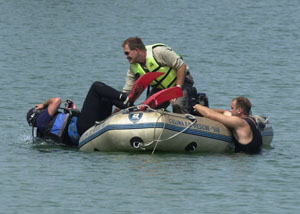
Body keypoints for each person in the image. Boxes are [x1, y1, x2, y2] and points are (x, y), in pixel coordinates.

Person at [26, 82, 130, 146]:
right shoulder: (41, 120)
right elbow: (57, 100)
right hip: (83, 128)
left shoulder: (43, 131)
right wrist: (44, 104)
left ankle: (130, 107)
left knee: (105, 97)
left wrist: (74, 110)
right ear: (38, 112)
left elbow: (66, 130)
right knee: (96, 87)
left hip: (82, 133)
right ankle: (125, 97)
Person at [120, 36, 194, 113]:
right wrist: (117, 111)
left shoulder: (159, 52)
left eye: (127, 53)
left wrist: (176, 89)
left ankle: (186, 118)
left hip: (181, 82)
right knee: (147, 108)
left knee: (177, 105)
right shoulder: (133, 68)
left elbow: (181, 66)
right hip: (160, 87)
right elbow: (127, 92)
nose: (126, 56)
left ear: (136, 50)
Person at [193, 96, 262, 154]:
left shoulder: (239, 122)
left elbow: (209, 114)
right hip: (254, 158)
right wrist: (203, 111)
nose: (230, 110)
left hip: (242, 160)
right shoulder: (252, 120)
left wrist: (197, 106)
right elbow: (224, 112)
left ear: (239, 110)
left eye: (232, 108)